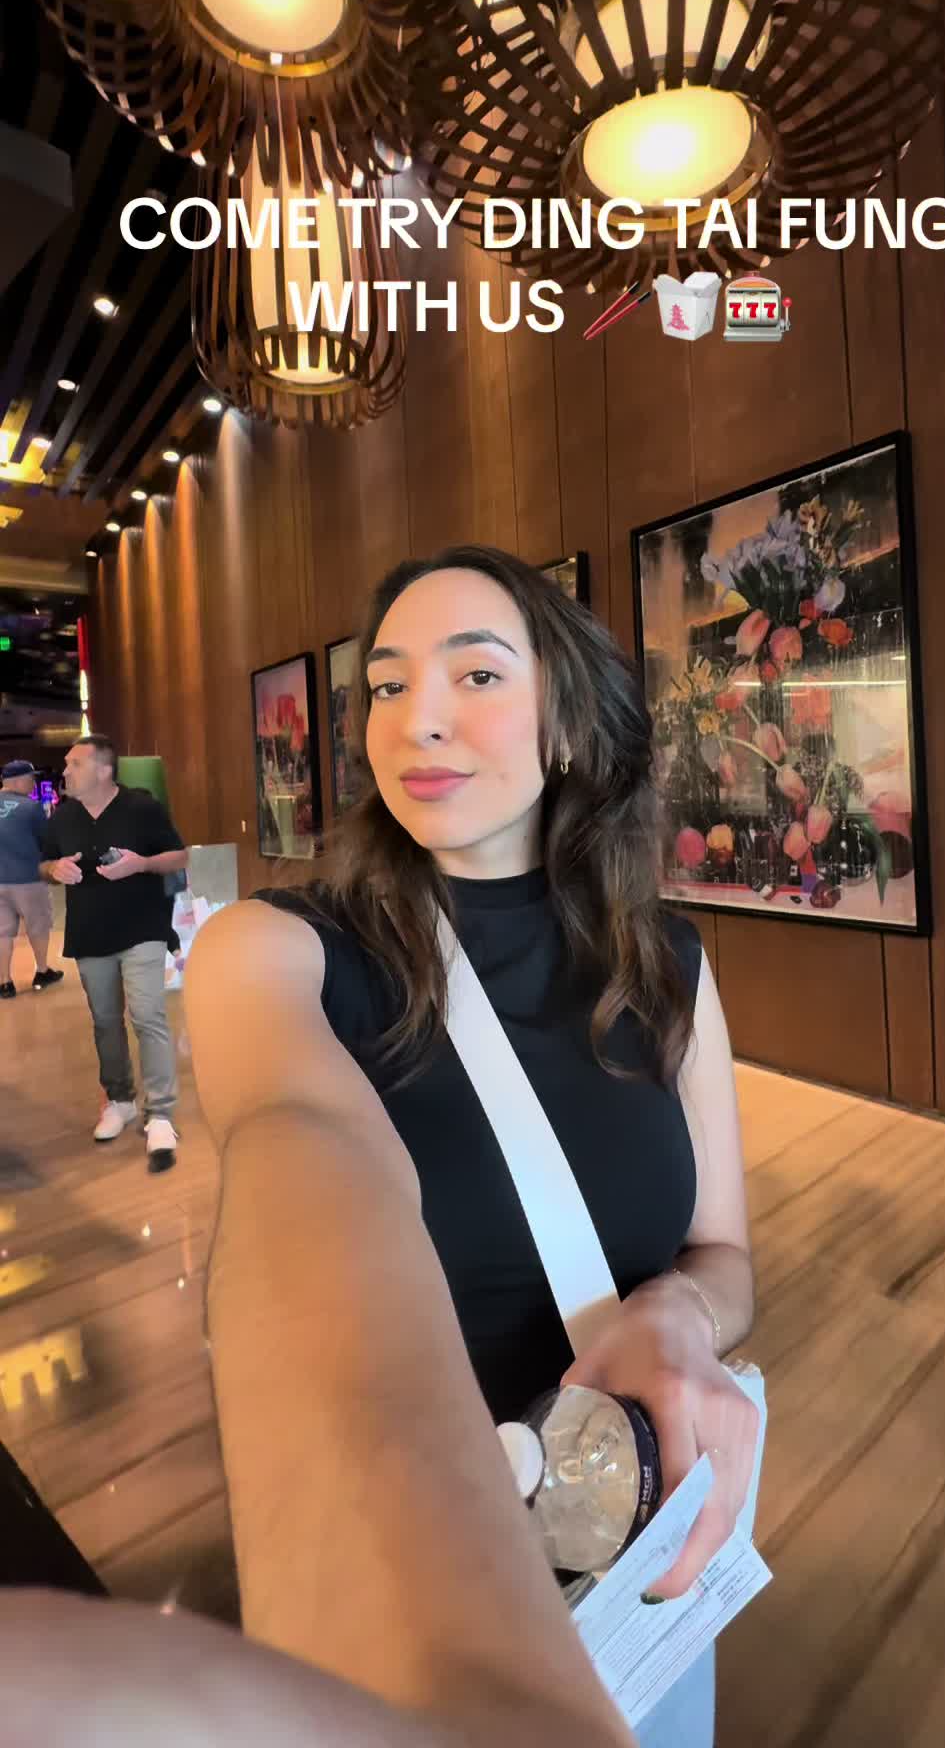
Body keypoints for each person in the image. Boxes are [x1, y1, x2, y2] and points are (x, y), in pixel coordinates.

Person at [185, 546, 758, 1747]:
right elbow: (299, 1161)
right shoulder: (275, 955)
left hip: (641, 1552)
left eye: (477, 675)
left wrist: (676, 1314)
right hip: (418, 1601)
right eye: (388, 686)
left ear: (568, 723)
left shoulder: (667, 964)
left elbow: (723, 1255)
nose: (419, 719)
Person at [39, 734, 187, 1173]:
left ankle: (160, 1113)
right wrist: (54, 869)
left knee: (147, 1016)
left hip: (143, 928)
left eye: (75, 763)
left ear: (104, 770)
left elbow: (179, 857)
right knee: (105, 1021)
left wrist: (140, 863)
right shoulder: (63, 817)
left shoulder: (142, 808)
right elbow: (42, 864)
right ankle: (120, 1100)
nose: (65, 771)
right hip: (90, 934)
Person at [0, 759, 64, 999]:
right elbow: (46, 841)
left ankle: (4, 982)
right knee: (38, 926)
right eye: (31, 779)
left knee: (2, 932)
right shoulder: (30, 807)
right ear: (18, 781)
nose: (33, 783)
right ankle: (42, 971)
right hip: (28, 879)